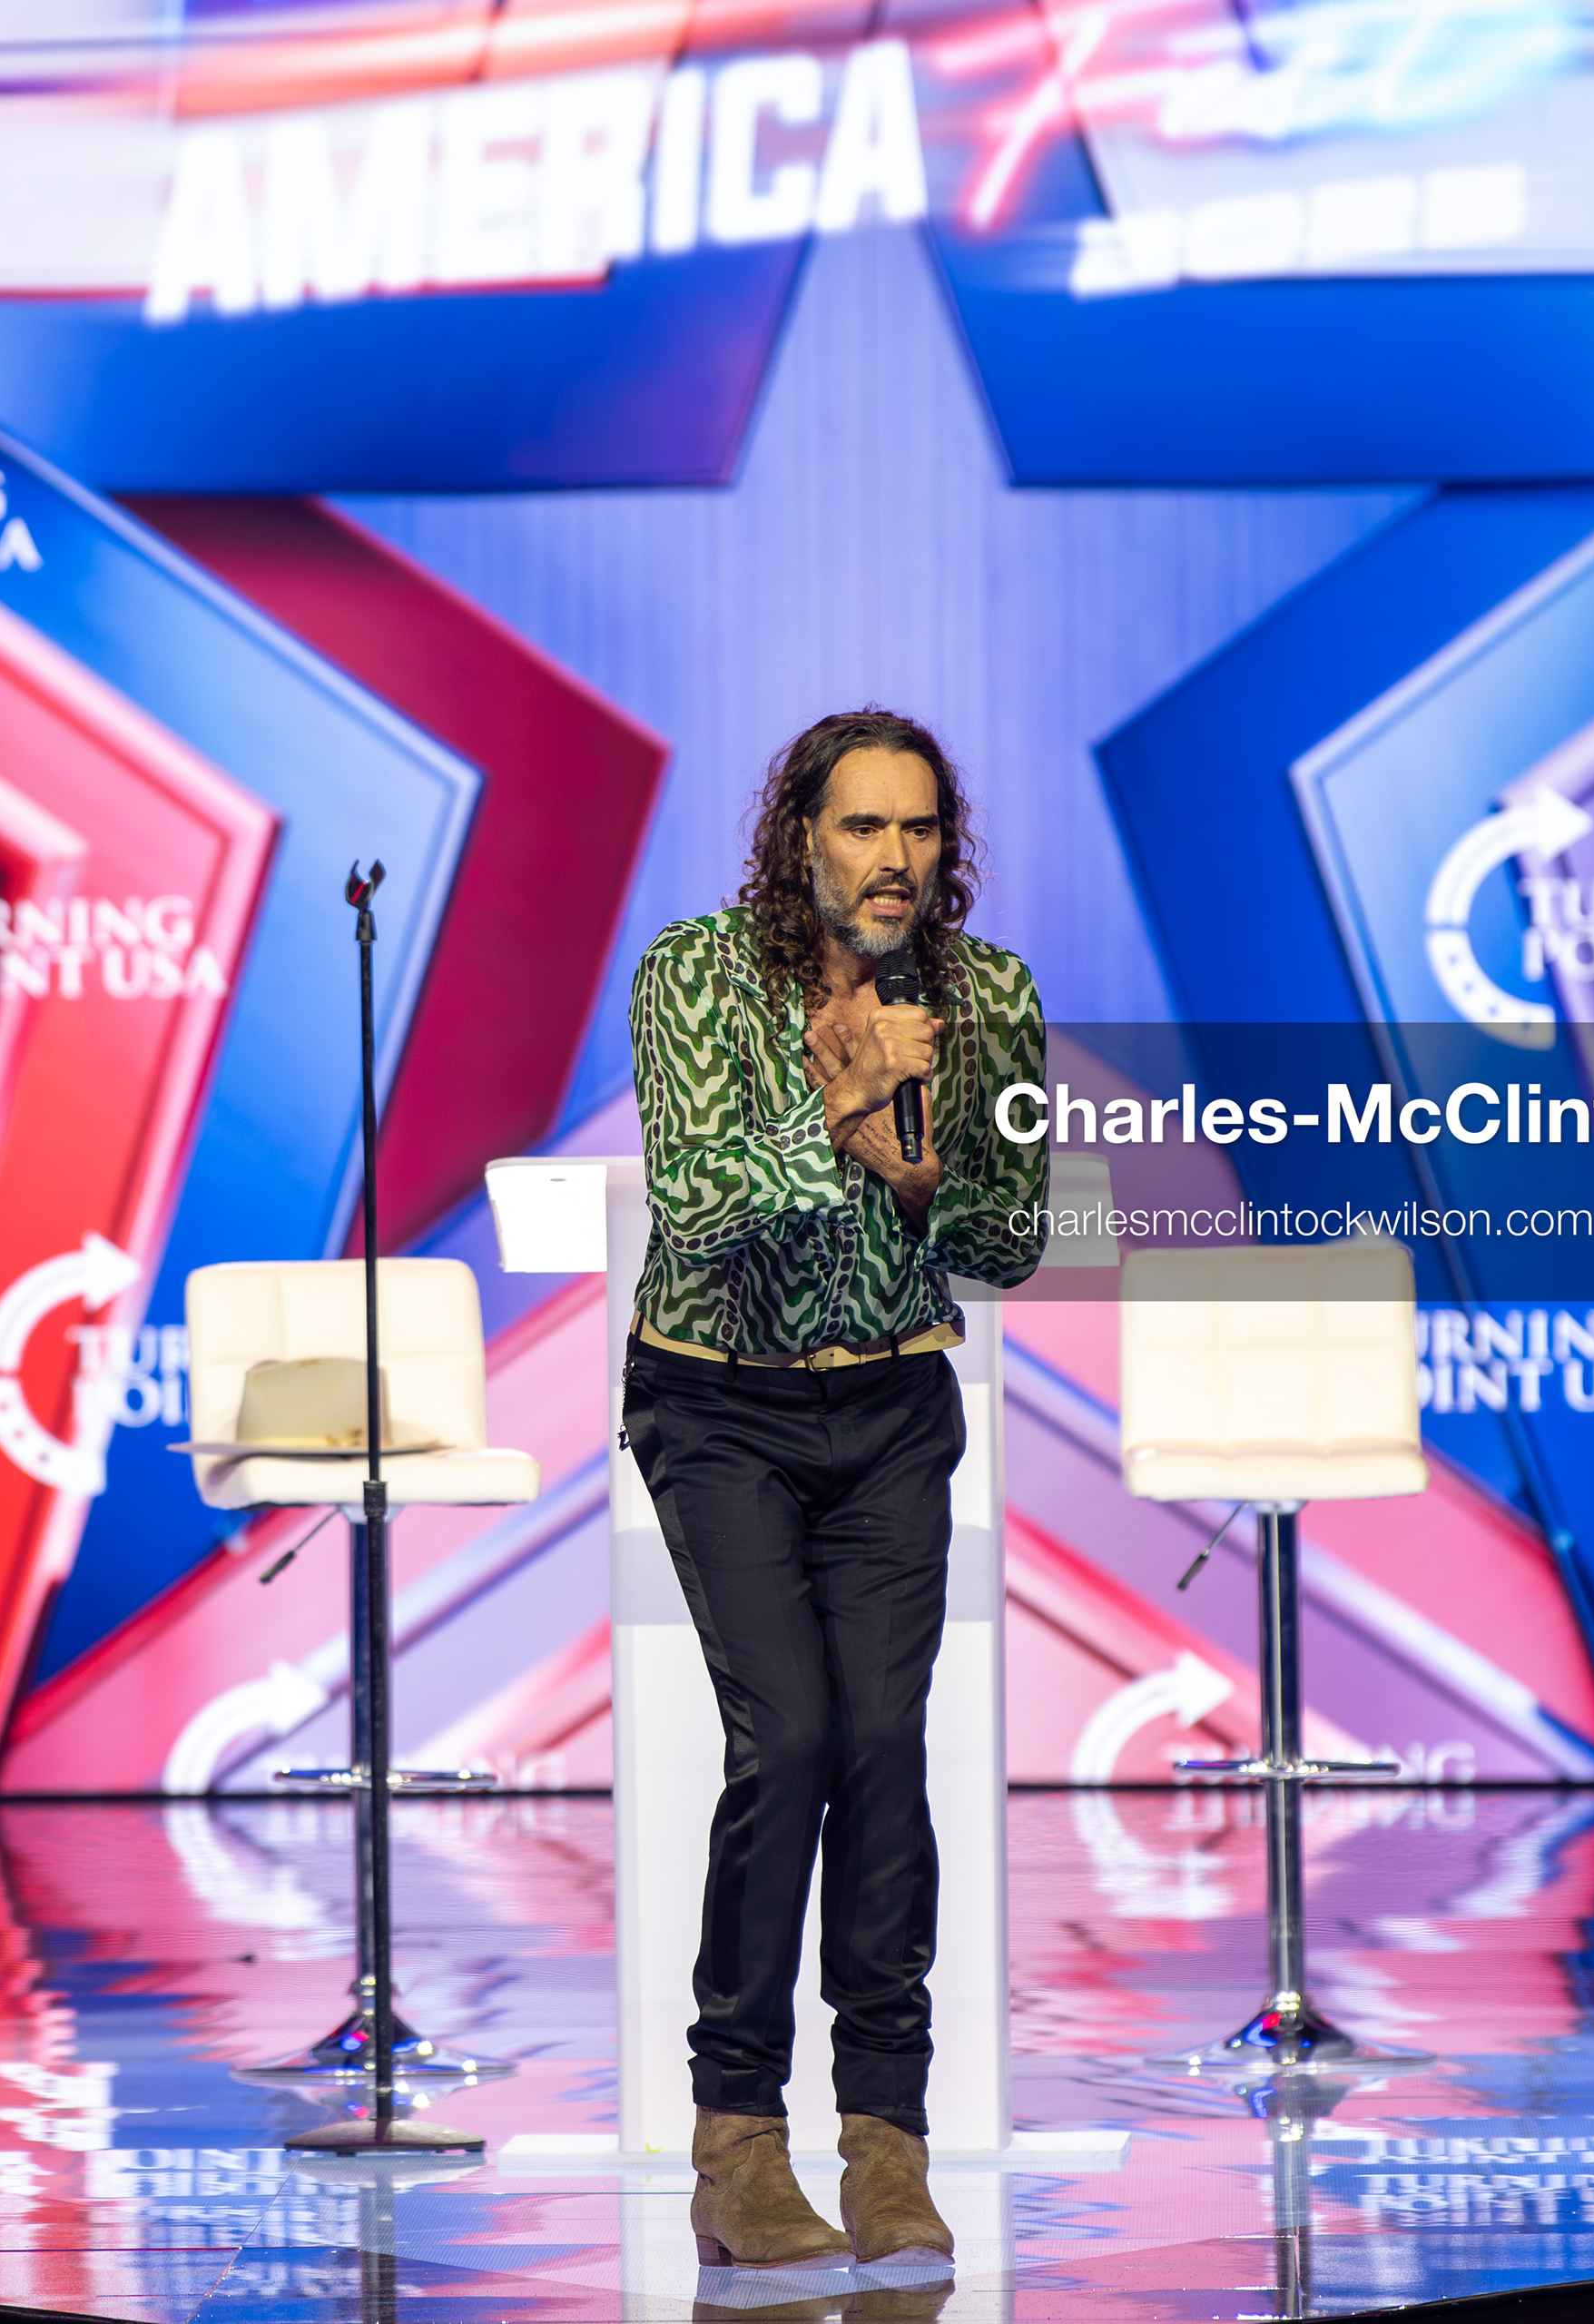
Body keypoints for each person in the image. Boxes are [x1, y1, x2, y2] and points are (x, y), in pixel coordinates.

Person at [621, 708, 1048, 2270]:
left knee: (882, 1749)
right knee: (785, 1735)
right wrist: (847, 1118)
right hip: (715, 1404)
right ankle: (735, 2138)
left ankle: (888, 2143)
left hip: (890, 1409)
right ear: (800, 833)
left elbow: (1007, 1243)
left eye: (919, 830)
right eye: (863, 827)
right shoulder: (696, 974)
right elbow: (700, 1201)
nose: (893, 860)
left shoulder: (985, 996)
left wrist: (925, 1180)